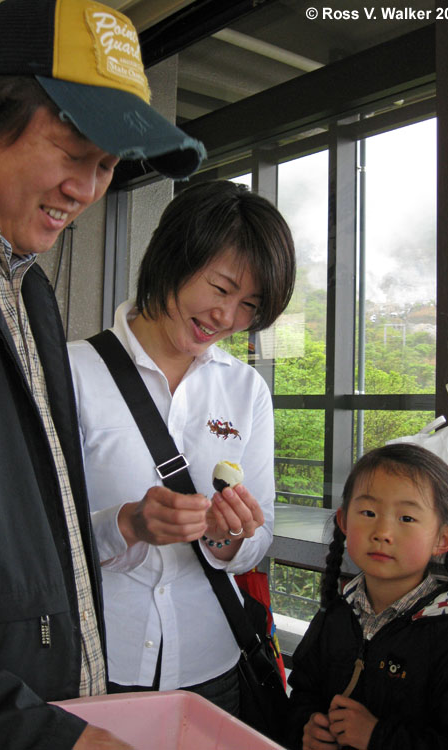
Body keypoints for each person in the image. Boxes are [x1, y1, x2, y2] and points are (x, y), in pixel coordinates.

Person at [0, 0, 205, 747]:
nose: (86, 189)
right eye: (73, 148)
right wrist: (36, 734)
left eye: (108, 165)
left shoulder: (28, 291)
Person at [68, 180, 295, 715]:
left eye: (249, 305)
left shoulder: (245, 390)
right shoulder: (70, 371)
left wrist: (228, 538)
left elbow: (257, 538)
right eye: (219, 288)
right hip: (99, 662)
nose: (227, 317)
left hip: (209, 664)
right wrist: (127, 524)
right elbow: (30, 534)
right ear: (171, 255)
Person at [285, 443, 448, 750]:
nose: (383, 532)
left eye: (406, 518)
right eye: (368, 512)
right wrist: (307, 725)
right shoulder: (338, 611)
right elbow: (303, 688)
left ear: (443, 539)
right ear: (344, 522)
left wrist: (377, 737)